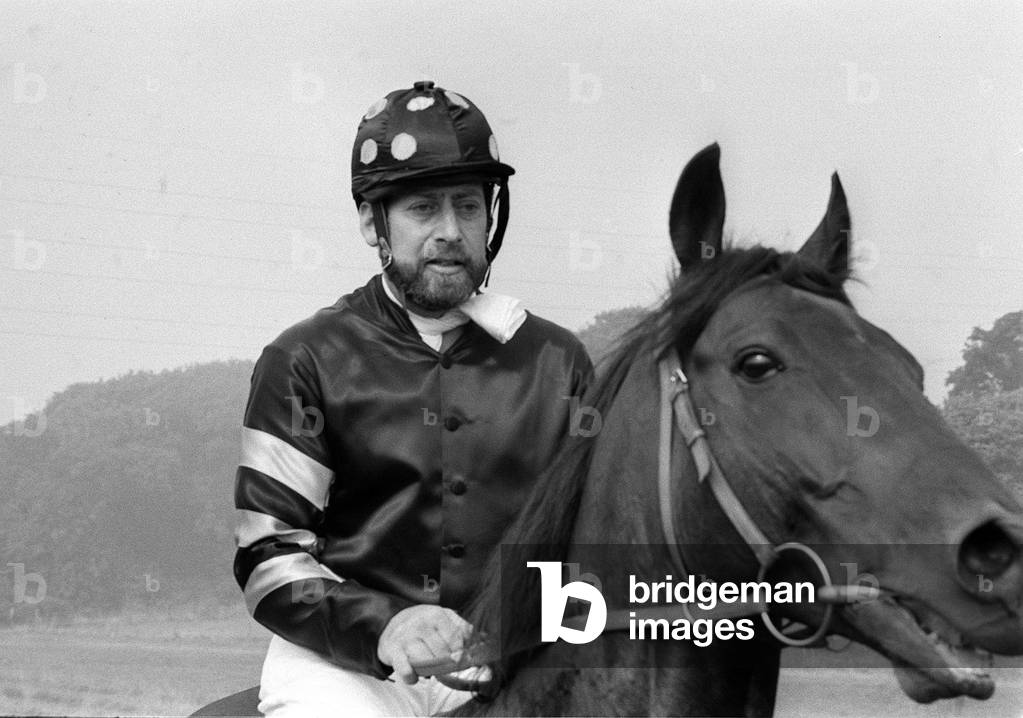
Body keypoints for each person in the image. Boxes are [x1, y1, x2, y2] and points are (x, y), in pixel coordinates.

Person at [232, 80, 593, 717]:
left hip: (514, 660)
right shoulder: (303, 359)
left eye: (468, 206)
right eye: (424, 209)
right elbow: (269, 557)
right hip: (345, 670)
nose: (451, 231)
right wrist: (389, 627)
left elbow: (593, 544)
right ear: (374, 221)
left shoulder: (559, 361)